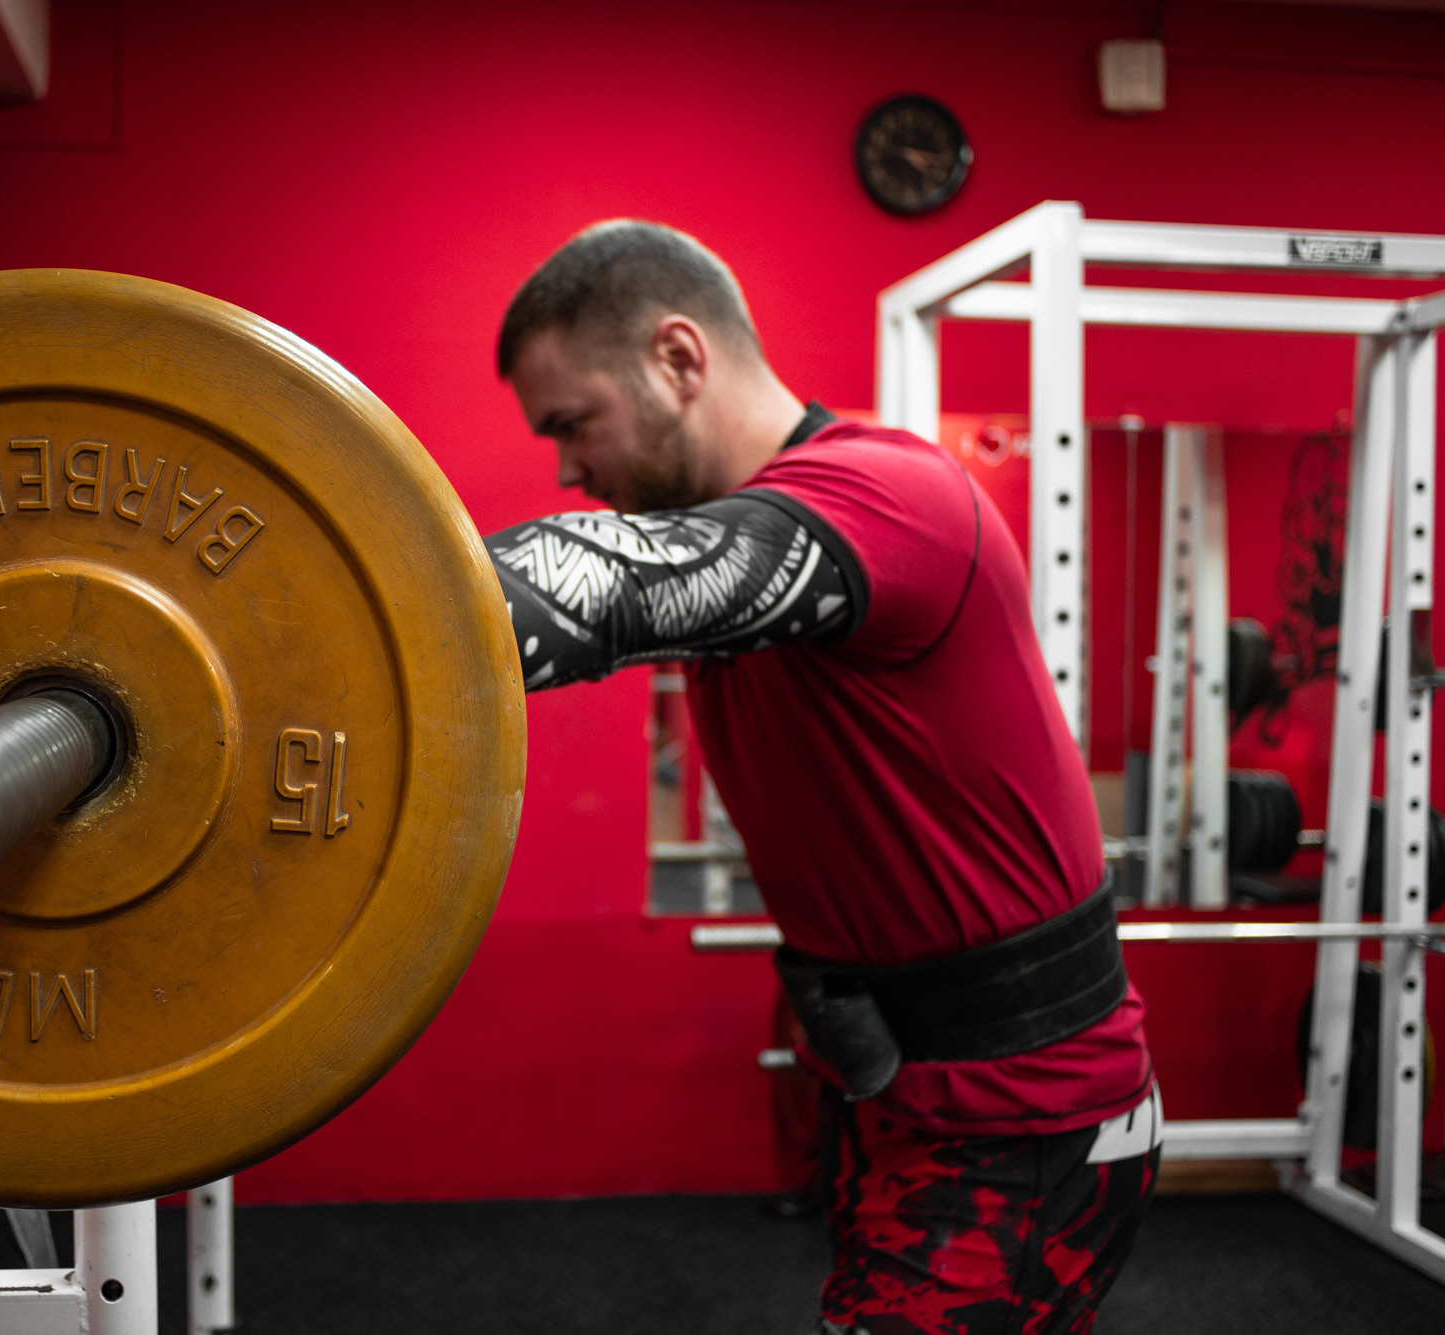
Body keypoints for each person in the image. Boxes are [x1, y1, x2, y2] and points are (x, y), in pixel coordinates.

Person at [484, 220, 1159, 1335]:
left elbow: (621, 588)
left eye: (571, 423)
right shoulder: (737, 530)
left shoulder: (892, 495)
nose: (566, 470)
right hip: (895, 1091)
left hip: (1023, 1117)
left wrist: (331, 620)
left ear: (678, 358)